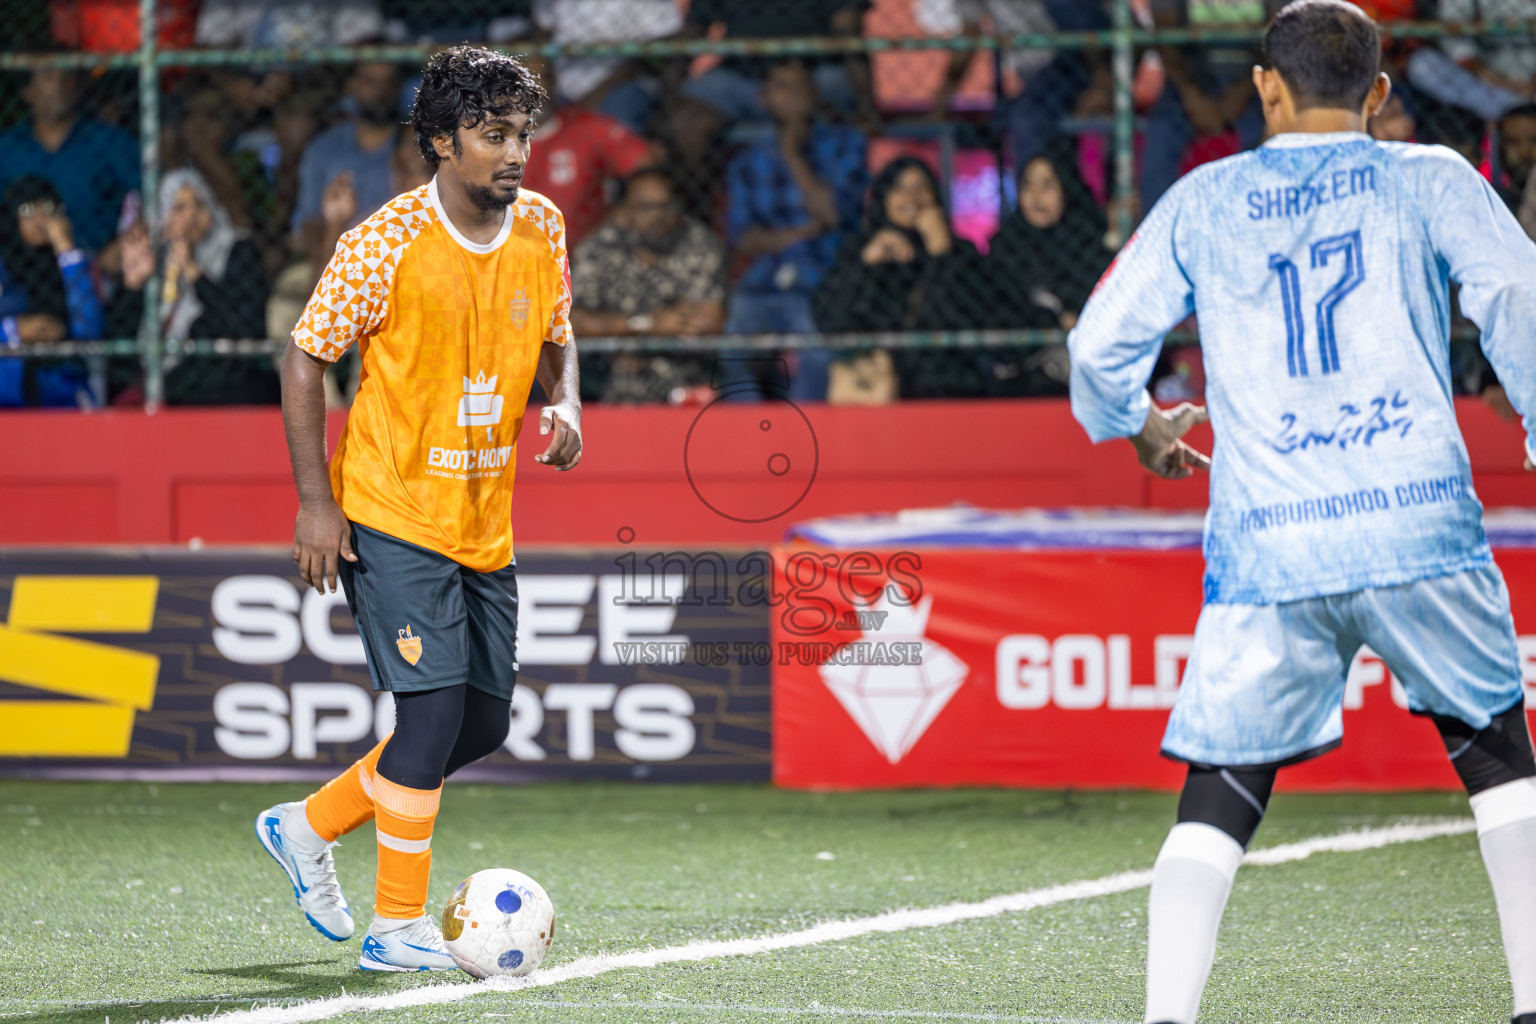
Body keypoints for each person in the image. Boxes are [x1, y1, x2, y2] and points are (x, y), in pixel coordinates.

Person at [1066, 5, 1536, 1024]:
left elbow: (1095, 350)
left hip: (1271, 543)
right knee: (1499, 753)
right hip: (1417, 520)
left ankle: (1165, 1019)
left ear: (1264, 88)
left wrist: (1139, 424)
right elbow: (1517, 298)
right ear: (1379, 93)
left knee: (1223, 790)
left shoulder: (1203, 200)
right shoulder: (1436, 178)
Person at [256, 46, 581, 974]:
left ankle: (306, 825)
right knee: (430, 717)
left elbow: (556, 331)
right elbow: (305, 356)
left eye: (523, 134)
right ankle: (395, 930)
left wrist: (566, 402)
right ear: (441, 141)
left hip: (485, 523)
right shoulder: (383, 243)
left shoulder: (542, 228)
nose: (515, 153)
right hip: (391, 512)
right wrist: (317, 505)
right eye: (492, 136)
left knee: (481, 727)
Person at [814, 156, 987, 399]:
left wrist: (941, 255)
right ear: (883, 198)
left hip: (945, 384)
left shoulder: (961, 252)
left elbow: (966, 318)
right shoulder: (860, 249)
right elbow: (829, 321)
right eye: (899, 188)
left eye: (920, 188)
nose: (911, 198)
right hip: (876, 388)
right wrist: (866, 263)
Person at [725, 59, 867, 338]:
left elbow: (832, 213)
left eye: (802, 87)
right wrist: (803, 232)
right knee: (738, 323)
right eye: (783, 87)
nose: (794, 96)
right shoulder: (746, 161)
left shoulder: (846, 143)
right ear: (764, 99)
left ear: (814, 95)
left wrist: (792, 154)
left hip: (827, 275)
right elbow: (745, 239)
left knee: (812, 328)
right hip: (767, 281)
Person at [106, 169, 273, 404]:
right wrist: (133, 285)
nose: (191, 216)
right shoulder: (155, 260)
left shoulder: (236, 250)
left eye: (200, 205)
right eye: (179, 208)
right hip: (159, 384)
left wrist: (193, 271)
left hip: (217, 386)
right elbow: (118, 338)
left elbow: (242, 326)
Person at [570, 167, 725, 402]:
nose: (657, 216)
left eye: (665, 206)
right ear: (626, 210)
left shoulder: (696, 241)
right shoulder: (601, 247)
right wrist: (647, 323)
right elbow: (573, 322)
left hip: (682, 369)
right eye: (646, 207)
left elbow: (708, 318)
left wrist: (610, 326)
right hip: (609, 371)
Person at [518, 57, 654, 251]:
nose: (533, 89)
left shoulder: (586, 128)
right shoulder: (487, 142)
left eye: (540, 78)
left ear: (554, 83)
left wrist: (616, 219)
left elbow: (649, 165)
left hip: (585, 258)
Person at [292, 62, 406, 290]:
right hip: (335, 253)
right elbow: (309, 221)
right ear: (352, 86)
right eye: (370, 82)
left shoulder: (412, 147)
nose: (381, 93)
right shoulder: (324, 148)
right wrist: (334, 246)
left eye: (389, 83)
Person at [0, 68, 139, 253]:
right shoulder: (8, 149)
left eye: (68, 74)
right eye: (49, 75)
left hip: (98, 270)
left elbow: (149, 196)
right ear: (28, 92)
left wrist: (121, 247)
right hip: (21, 273)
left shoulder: (110, 141)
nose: (62, 82)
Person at [0, 176, 101, 407]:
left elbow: (89, 330)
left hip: (61, 388)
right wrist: (14, 331)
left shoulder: (74, 264)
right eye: (27, 209)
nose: (40, 218)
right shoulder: (3, 266)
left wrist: (66, 252)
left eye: (47, 208)